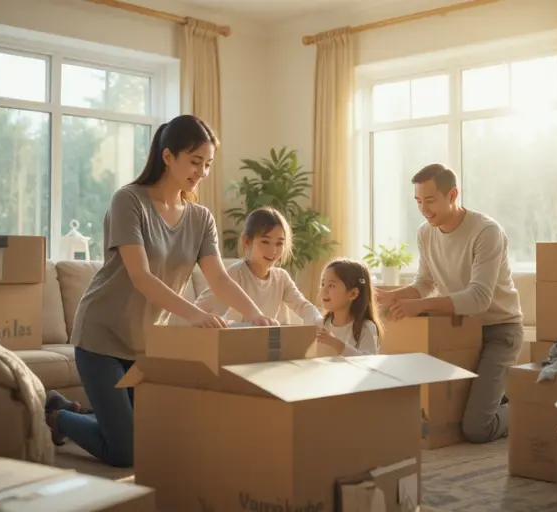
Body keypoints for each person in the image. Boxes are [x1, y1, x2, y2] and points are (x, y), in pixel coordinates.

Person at [48, 115, 278, 467]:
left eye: (208, 164)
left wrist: (255, 314)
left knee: (157, 438)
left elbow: (219, 278)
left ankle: (89, 416)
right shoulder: (129, 201)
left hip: (147, 347)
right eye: (195, 161)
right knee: (126, 451)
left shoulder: (201, 218)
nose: (202, 172)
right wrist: (196, 315)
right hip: (101, 338)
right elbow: (140, 276)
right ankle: (57, 415)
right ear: (168, 156)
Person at [377, 163, 523, 444]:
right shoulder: (425, 232)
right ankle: (498, 394)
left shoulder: (486, 232)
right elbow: (425, 283)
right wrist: (394, 296)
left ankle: (529, 407)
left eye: (430, 200)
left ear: (452, 195)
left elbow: (479, 298)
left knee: (477, 428)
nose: (423, 209)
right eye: (418, 201)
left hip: (499, 331)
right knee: (443, 415)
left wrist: (422, 306)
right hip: (458, 331)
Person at [194, 206, 323, 325]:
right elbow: (199, 307)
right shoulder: (235, 273)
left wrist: (319, 320)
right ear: (247, 241)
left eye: (279, 243)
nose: (273, 250)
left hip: (267, 341)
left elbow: (302, 305)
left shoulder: (281, 278)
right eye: (265, 242)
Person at [315, 258, 383, 356]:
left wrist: (338, 345)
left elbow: (368, 360)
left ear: (353, 294)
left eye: (331, 285)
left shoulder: (365, 328)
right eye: (323, 284)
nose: (323, 290)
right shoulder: (321, 324)